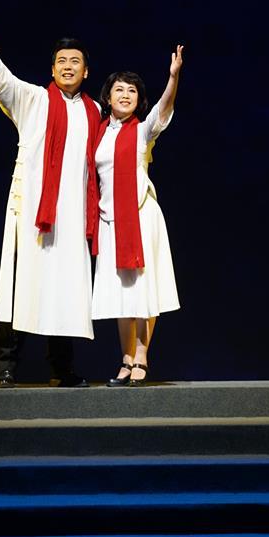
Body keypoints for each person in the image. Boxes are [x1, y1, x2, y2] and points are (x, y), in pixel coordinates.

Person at [0, 19, 101, 388]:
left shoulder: (95, 111)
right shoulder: (35, 100)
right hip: (33, 212)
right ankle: (6, 366)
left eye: (75, 61)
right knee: (19, 285)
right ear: (52, 68)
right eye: (61, 60)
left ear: (86, 71)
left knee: (63, 289)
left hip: (72, 219)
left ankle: (61, 368)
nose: (67, 66)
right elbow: (2, 82)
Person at [91, 46, 184, 386]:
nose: (125, 95)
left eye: (132, 90)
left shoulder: (142, 131)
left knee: (144, 290)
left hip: (141, 215)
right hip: (110, 220)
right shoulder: (99, 133)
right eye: (119, 89)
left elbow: (163, 110)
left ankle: (142, 356)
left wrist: (173, 78)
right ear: (108, 97)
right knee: (122, 294)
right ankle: (126, 358)